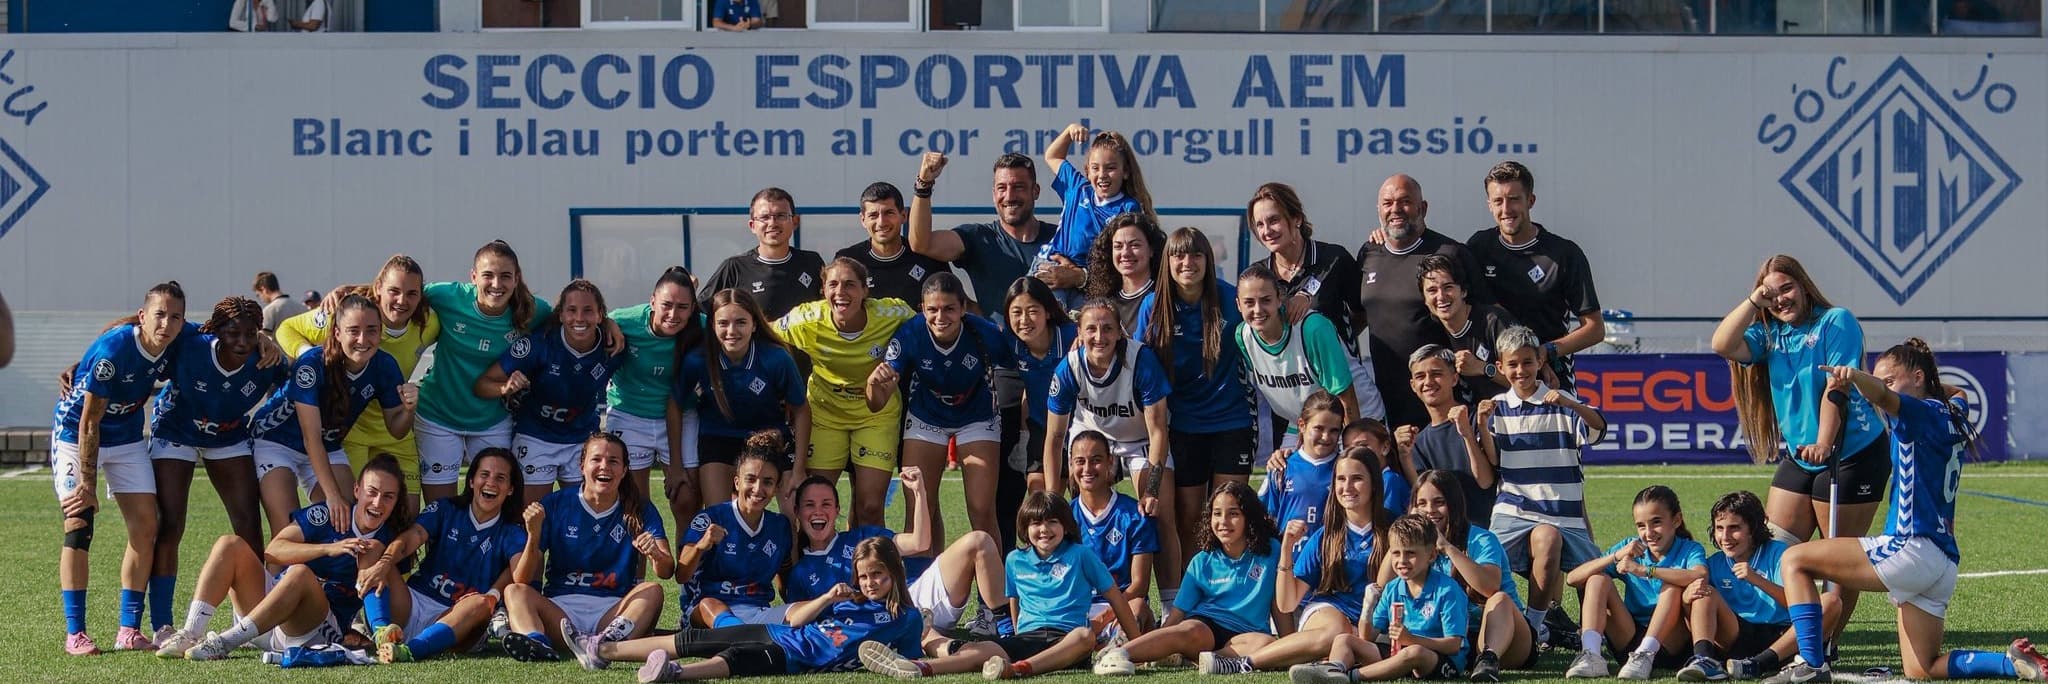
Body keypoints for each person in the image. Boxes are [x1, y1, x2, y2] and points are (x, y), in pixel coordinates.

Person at [1758, 344, 2048, 684]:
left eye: (1894, 378)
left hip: (1909, 548)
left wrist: (1856, 377)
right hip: (1942, 562)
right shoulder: (1953, 409)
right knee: (1922, 668)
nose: (1887, 386)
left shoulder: (1917, 413)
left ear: (1918, 377)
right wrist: (1898, 381)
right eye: (1886, 380)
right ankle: (2010, 663)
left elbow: (1881, 395)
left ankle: (1811, 662)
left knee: (1794, 560)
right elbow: (1958, 390)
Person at [1711, 254, 1885, 646]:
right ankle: (1785, 637)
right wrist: (1757, 301)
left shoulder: (1835, 321)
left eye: (1786, 288)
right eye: (1772, 293)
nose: (1780, 299)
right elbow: (1722, 343)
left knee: (1836, 564)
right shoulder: (1768, 333)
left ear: (1804, 286)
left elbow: (1835, 388)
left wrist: (1824, 441)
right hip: (1801, 456)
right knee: (1774, 549)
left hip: (1851, 453)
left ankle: (1823, 646)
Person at [907, 152, 1058, 548]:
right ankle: (1005, 600)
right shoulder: (980, 237)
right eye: (1003, 188)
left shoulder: (1061, 237)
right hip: (1003, 377)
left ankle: (1065, 587)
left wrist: (1079, 274)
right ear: (993, 193)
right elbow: (921, 241)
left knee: (1056, 491)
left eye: (1020, 187)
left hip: (1053, 373)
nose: (1011, 195)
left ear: (1036, 192)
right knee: (1003, 495)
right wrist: (924, 184)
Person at [858, 490, 1145, 679]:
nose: (1043, 530)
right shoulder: (1015, 560)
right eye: (1035, 524)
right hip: (1028, 638)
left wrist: (1136, 648)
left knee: (1084, 636)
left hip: (1066, 641)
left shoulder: (1081, 555)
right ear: (1025, 528)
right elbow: (1014, 602)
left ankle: (1019, 670)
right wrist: (1019, 631)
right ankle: (918, 667)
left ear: (1066, 526)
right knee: (982, 649)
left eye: (1052, 522)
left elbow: (1116, 599)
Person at [53, 282, 193, 654]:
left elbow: (221, 332)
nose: (167, 323)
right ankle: (75, 634)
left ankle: (128, 630)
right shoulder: (114, 351)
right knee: (79, 523)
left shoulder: (177, 336)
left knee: (147, 525)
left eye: (175, 316)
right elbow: (88, 424)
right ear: (144, 316)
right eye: (158, 314)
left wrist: (267, 342)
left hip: (127, 437)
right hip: (76, 434)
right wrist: (87, 482)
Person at [162, 455, 411, 660]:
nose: (378, 502)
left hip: (313, 630)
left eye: (388, 496)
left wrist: (378, 630)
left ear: (397, 500)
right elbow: (274, 550)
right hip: (266, 614)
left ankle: (225, 642)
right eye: (372, 492)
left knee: (301, 573)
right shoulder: (330, 513)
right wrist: (327, 549)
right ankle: (190, 632)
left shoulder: (391, 540)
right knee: (230, 544)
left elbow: (388, 596)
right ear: (357, 490)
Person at [144, 297, 286, 639]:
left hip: (228, 435)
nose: (241, 340)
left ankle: (254, 619)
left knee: (248, 523)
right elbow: (129, 334)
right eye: (233, 332)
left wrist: (269, 343)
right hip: (176, 430)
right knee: (170, 524)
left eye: (250, 333)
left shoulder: (265, 357)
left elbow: (293, 384)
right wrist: (86, 362)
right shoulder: (191, 341)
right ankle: (162, 624)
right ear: (216, 330)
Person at [600, 537, 926, 681]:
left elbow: (908, 659)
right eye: (864, 576)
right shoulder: (851, 600)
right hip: (782, 633)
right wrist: (827, 598)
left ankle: (675, 673)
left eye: (878, 575)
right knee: (698, 639)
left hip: (799, 659)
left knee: (737, 659)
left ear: (894, 572)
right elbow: (798, 619)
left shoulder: (906, 617)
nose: (869, 583)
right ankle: (603, 648)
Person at [1133, 226, 1257, 591]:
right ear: (1167, 262)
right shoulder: (1153, 306)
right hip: (1184, 424)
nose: (1187, 262)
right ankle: (1193, 594)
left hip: (1232, 421)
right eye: (1179, 255)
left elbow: (1268, 322)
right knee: (1190, 517)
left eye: (1196, 255)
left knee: (1232, 513)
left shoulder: (1230, 300)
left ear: (1208, 259)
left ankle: (1233, 593)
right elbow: (1140, 362)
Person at [1202, 445, 1389, 675]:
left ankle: (1328, 664)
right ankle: (1245, 664)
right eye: (1341, 479)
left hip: (1376, 622)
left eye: (1357, 479)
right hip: (1329, 614)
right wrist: (1287, 547)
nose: (1347, 487)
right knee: (1337, 630)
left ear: (1374, 484)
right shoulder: (1325, 535)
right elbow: (1287, 604)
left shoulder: (1393, 529)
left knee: (1350, 639)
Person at [1043, 298, 1179, 606]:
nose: (1099, 336)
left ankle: (1170, 605)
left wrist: (1153, 490)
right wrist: (1053, 497)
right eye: (1091, 329)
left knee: (1160, 513)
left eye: (1107, 328)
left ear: (1121, 332)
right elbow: (1054, 436)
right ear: (1079, 332)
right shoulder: (1070, 367)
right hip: (1092, 436)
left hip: (1140, 439)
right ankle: (1067, 598)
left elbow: (1158, 430)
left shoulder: (1140, 361)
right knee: (1070, 514)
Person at [1478, 325, 1606, 646]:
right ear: (1502, 365)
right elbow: (1492, 462)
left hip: (1563, 515)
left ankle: (1536, 628)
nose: (1520, 370)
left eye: (1527, 362)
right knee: (1479, 571)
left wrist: (1571, 403)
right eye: (1513, 364)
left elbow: (1599, 430)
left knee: (1597, 579)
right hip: (1512, 512)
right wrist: (1478, 424)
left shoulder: (1563, 403)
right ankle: (1486, 630)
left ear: (1539, 362)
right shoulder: (1495, 407)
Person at [249, 294, 418, 536]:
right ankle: (277, 574)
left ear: (380, 332)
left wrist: (409, 409)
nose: (363, 339)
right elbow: (311, 437)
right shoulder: (312, 364)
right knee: (287, 528)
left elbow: (396, 429)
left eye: (371, 330)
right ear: (337, 333)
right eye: (353, 331)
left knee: (347, 522)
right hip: (277, 441)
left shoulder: (385, 365)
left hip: (328, 445)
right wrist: (332, 496)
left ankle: (327, 575)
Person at [277, 255, 440, 506]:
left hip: (395, 424)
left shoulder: (429, 323)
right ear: (378, 289)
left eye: (411, 294)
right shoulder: (349, 318)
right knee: (358, 513)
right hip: (351, 429)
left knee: (406, 516)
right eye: (393, 291)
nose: (401, 301)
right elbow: (286, 329)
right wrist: (309, 358)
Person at [869, 272, 1012, 549]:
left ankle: (994, 591)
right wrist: (874, 385)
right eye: (932, 309)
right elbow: (876, 402)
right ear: (922, 308)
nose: (940, 317)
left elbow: (1022, 365)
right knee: (919, 511)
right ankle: (926, 585)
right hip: (926, 415)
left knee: (981, 509)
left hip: (977, 415)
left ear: (963, 308)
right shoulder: (910, 333)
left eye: (949, 309)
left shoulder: (985, 333)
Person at [501, 433, 672, 662]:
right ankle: (537, 644)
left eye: (613, 461)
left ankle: (604, 644)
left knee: (652, 590)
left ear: (624, 469)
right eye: (596, 459)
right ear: (582, 465)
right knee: (514, 591)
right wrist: (533, 535)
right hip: (561, 612)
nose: (605, 467)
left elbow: (666, 570)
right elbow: (521, 578)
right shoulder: (555, 503)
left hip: (613, 612)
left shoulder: (640, 508)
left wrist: (655, 553)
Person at [776, 258, 918, 527]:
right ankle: (818, 566)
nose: (841, 292)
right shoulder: (806, 319)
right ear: (823, 290)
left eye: (850, 285)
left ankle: (868, 567)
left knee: (870, 506)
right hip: (825, 412)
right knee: (815, 502)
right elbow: (762, 332)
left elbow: (928, 328)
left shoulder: (892, 313)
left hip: (875, 413)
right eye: (833, 284)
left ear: (865, 291)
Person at [414, 241, 558, 506]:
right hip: (438, 416)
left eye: (505, 276)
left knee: (495, 505)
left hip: (493, 421)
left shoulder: (534, 311)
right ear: (473, 277)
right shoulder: (447, 296)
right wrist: (344, 293)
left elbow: (575, 317)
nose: (496, 284)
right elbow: (400, 292)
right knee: (441, 510)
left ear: (517, 279)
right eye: (488, 275)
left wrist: (608, 324)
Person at [1093, 481, 1281, 676]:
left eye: (1233, 514)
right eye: (1217, 514)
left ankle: (1199, 660)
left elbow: (1280, 604)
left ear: (1249, 518)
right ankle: (1119, 654)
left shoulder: (1271, 551)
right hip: (1206, 627)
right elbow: (1176, 616)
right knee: (1190, 630)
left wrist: (1289, 640)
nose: (1223, 521)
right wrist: (1163, 639)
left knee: (1266, 643)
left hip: (1247, 634)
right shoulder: (1202, 561)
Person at [1357, 174, 1493, 429]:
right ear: (1378, 210)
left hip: (1442, 401)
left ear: (1423, 208)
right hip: (1387, 401)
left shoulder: (1450, 253)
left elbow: (1485, 318)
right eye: (1387, 203)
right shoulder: (1369, 252)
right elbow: (1357, 316)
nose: (1395, 209)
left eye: (1405, 201)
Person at [474, 280, 628, 504]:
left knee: (586, 515)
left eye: (588, 311)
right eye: (572, 310)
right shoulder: (539, 345)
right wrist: (504, 388)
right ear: (561, 315)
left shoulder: (614, 346)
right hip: (536, 436)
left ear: (600, 315)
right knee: (530, 516)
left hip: (582, 439)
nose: (579, 318)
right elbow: (482, 384)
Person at [1246, 182, 1385, 423]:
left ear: (1296, 218)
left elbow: (1363, 312)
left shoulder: (1334, 258)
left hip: (1342, 392)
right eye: (1259, 224)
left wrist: (1331, 341)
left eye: (1274, 220)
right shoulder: (1258, 276)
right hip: (1292, 399)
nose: (1267, 230)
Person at [374, 448, 528, 662]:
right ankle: (380, 631)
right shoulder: (446, 508)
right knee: (373, 551)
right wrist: (384, 562)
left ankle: (411, 651)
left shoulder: (512, 530)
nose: (491, 482)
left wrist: (494, 594)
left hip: (456, 616)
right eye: (484, 475)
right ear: (472, 481)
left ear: (510, 489)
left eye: (500, 478)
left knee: (482, 604)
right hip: (414, 601)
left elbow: (519, 573)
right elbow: (414, 536)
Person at [1464, 162, 1604, 392]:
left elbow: (1595, 329)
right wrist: (1383, 240)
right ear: (1489, 205)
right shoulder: (1479, 247)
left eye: (1514, 199)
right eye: (1498, 201)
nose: (1506, 209)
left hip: (1551, 383)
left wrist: (1544, 352)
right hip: (1496, 380)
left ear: (1531, 201)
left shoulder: (1564, 254)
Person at [1291, 514, 1472, 684]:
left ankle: (1351, 676)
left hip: (1438, 659)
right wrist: (1367, 609)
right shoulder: (1393, 587)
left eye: (1410, 553)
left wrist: (1411, 639)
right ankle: (1333, 669)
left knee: (1414, 652)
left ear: (1431, 555)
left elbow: (1454, 645)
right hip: (1398, 653)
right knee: (1344, 639)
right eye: (1396, 553)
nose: (1402, 561)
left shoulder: (1447, 589)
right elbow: (1368, 637)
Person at [676, 288, 810, 506]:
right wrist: (675, 466)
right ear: (712, 325)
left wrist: (799, 469)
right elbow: (674, 403)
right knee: (718, 517)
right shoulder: (697, 360)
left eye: (740, 322)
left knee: (792, 513)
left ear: (754, 324)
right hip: (718, 438)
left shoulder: (776, 358)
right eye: (723, 323)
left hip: (771, 437)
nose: (732, 330)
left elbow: (801, 410)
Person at [1565, 485, 1708, 679]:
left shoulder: (1690, 549)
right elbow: (1573, 579)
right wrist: (1615, 556)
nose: (1648, 533)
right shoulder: (1631, 546)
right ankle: (1591, 655)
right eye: (1641, 525)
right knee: (1598, 579)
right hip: (1629, 642)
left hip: (1670, 644)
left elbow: (1700, 575)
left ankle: (1646, 652)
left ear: (1676, 520)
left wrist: (1644, 570)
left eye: (1656, 522)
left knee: (1672, 586)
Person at [1403, 470, 1533, 683]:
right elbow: (1384, 585)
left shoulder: (1481, 539)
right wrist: (1405, 538)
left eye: (1439, 502)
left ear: (1454, 504)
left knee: (1499, 598)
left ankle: (1489, 660)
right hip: (1451, 640)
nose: (1430, 510)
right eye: (1422, 503)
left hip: (1503, 637)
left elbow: (1490, 587)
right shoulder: (1418, 549)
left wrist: (1447, 547)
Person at [604, 266, 707, 527]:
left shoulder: (703, 328)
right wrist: (606, 323)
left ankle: (688, 568)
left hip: (682, 415)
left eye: (683, 307)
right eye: (666, 305)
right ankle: (636, 568)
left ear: (693, 308)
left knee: (687, 499)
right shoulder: (625, 321)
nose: (673, 314)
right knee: (634, 506)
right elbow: (593, 317)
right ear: (652, 301)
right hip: (630, 414)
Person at [674, 431, 795, 628]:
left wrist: (795, 606)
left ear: (777, 487)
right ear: (737, 482)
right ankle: (740, 635)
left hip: (758, 611)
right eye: (751, 479)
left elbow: (785, 575)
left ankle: (744, 636)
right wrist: (701, 546)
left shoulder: (780, 526)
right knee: (710, 605)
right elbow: (681, 575)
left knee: (803, 610)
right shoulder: (711, 518)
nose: (757, 489)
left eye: (767, 482)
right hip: (708, 610)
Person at [1235, 264, 1363, 448]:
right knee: (1281, 475)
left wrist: (1352, 450)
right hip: (1305, 424)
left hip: (1353, 419)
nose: (1257, 310)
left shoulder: (1313, 329)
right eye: (1249, 302)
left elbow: (1346, 399)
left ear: (1279, 299)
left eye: (1266, 300)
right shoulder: (1243, 336)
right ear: (1238, 305)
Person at [1679, 491, 1800, 682]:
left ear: (1754, 528)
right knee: (1703, 593)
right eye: (1719, 528)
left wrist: (1757, 579)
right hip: (1736, 636)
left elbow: (1798, 604)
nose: (1725, 536)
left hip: (1782, 635)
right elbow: (1695, 619)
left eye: (1734, 528)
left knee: (1830, 602)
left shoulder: (1780, 553)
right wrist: (1686, 601)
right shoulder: (1715, 563)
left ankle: (1758, 664)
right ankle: (1704, 660)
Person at [1036, 124, 1154, 308]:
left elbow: (1118, 262)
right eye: (1095, 168)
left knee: (1084, 328)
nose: (1102, 175)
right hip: (1050, 264)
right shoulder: (1077, 187)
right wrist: (1068, 132)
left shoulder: (1129, 208)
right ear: (1087, 171)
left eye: (1110, 168)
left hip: (1090, 283)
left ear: (1125, 172)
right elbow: (1053, 156)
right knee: (1042, 316)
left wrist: (1080, 275)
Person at [1000, 277, 1076, 542]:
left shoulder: (1072, 338)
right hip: (1041, 431)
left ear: (1048, 311)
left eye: (1032, 311)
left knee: (1083, 507)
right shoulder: (1011, 342)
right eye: (1016, 313)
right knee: (1039, 506)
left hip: (1079, 431)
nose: (1024, 320)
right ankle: (1043, 570)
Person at [1064, 430, 1159, 634]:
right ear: (1071, 465)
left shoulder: (1135, 515)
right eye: (1080, 461)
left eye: (1096, 460)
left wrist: (1103, 618)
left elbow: (1139, 585)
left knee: (1139, 608)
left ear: (1110, 462)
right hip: (1078, 610)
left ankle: (1112, 648)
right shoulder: (1064, 517)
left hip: (1122, 608)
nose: (1087, 469)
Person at [1398, 346, 1494, 523]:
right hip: (1448, 538)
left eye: (1436, 374)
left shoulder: (1479, 418)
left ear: (1454, 379)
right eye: (1420, 376)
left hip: (1489, 531)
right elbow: (1423, 499)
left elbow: (1485, 481)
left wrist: (1466, 434)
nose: (1428, 382)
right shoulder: (1418, 442)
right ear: (1413, 386)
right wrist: (1405, 457)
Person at [705, 187, 826, 321]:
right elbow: (702, 313)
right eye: (764, 217)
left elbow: (829, 310)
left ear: (795, 222)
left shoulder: (812, 262)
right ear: (752, 225)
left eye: (781, 216)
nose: (773, 223)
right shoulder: (735, 268)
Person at [1420, 255, 1521, 404]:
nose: (1441, 297)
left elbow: (1528, 381)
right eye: (1432, 290)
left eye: (1448, 287)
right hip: (1475, 420)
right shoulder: (1433, 330)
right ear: (1424, 298)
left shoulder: (1494, 322)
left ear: (1463, 291)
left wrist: (1482, 368)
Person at [837, 182, 949, 309]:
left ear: (904, 216)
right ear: (863, 220)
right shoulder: (848, 260)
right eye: (873, 215)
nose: (881, 222)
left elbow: (952, 305)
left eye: (889, 213)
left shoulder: (928, 258)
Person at [1259, 391, 1349, 535]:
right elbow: (1262, 519)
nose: (1325, 437)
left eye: (1333, 431)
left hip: (1331, 555)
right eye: (1319, 428)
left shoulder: (1345, 469)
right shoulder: (1281, 467)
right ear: (1301, 425)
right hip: (1288, 556)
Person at [1083, 212, 1165, 331]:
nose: (1125, 253)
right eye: (1118, 246)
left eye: (1135, 245)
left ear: (1152, 250)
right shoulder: (1105, 301)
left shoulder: (1163, 296)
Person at [1346, 419, 1414, 520]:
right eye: (1348, 448)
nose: (1355, 453)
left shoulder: (1390, 480)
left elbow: (1386, 524)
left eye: (1363, 446)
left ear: (1385, 447)